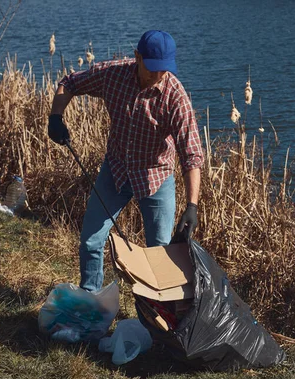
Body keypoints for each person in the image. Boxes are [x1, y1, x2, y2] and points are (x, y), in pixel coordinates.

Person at [47, 30, 204, 292]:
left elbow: (192, 155)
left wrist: (192, 206)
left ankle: (156, 318)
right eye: (152, 69)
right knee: (90, 241)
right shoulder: (113, 74)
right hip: (117, 169)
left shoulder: (175, 97)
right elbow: (69, 83)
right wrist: (55, 117)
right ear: (137, 58)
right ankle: (91, 299)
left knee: (160, 255)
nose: (159, 76)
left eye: (164, 69)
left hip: (156, 177)